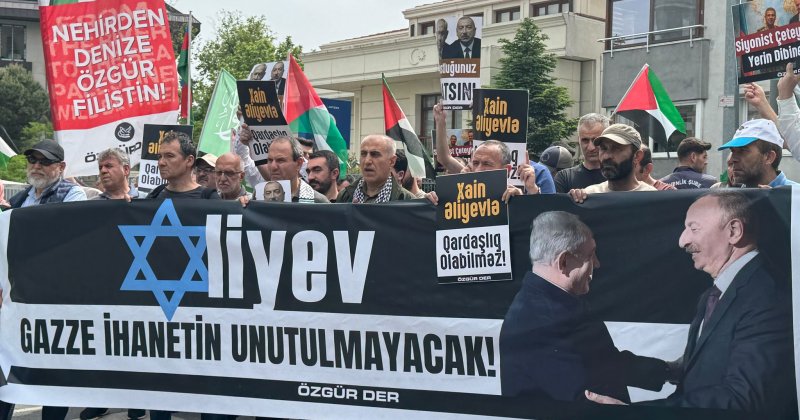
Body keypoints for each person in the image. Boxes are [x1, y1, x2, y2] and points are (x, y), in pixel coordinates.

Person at [588, 191, 795, 415]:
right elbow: (703, 368)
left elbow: (743, 397)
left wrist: (635, 414)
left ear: (734, 231)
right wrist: (666, 370)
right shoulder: (715, 294)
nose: (682, 240)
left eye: (694, 229)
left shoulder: (767, 296)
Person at [501, 211, 669, 401]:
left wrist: (668, 371)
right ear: (564, 261)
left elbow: (605, 363)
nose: (597, 264)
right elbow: (584, 401)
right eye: (590, 255)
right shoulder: (535, 321)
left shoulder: (555, 303)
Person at [81, 148, 143, 420]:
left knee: (136, 347)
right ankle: (101, 399)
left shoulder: (146, 201)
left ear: (126, 170)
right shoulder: (91, 205)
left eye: (109, 166)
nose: (103, 171)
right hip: (103, 286)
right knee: (104, 347)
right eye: (100, 167)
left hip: (137, 285)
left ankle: (137, 400)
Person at [432, 101, 554, 198]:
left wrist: (527, 195)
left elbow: (549, 215)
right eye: (475, 163)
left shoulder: (537, 172)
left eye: (487, 164)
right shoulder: (471, 173)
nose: (479, 169)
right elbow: (444, 159)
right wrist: (440, 122)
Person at [569, 124, 656, 203]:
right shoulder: (589, 196)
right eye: (603, 148)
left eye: (616, 149)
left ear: (637, 156)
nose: (607, 156)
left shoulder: (651, 199)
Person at [8, 139, 87, 208]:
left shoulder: (72, 194)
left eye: (45, 161)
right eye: (32, 159)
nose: (36, 166)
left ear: (61, 167)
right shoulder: (19, 198)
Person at [337, 135, 415, 203]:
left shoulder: (406, 200)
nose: (367, 161)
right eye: (363, 154)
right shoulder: (345, 196)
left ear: (392, 161)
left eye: (375, 154)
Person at [720, 119, 797, 187]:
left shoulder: (795, 195)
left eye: (742, 150)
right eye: (733, 151)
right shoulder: (734, 196)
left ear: (769, 157)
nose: (733, 159)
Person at [146, 131, 220, 199]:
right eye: (159, 157)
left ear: (189, 160)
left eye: (169, 156)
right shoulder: (155, 194)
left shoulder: (210, 198)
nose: (161, 163)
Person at [554, 114, 609, 193]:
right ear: (579, 140)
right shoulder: (565, 177)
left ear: (607, 140)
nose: (591, 147)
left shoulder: (619, 176)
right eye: (585, 140)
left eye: (595, 140)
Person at [264, 136, 328, 203]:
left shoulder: (318, 202)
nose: (273, 167)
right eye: (270, 160)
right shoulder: (259, 198)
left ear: (299, 163)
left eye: (280, 160)